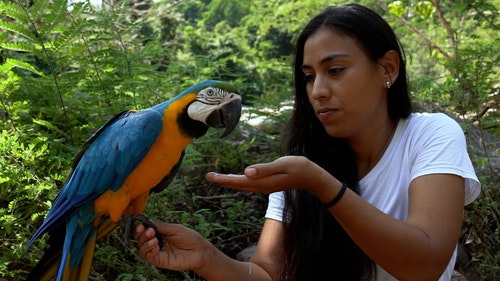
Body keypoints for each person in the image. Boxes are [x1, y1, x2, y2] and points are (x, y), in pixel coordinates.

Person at [134, 4, 481, 281]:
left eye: (335, 71)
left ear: (387, 69)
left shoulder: (430, 135)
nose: (318, 91)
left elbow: (425, 267)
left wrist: (321, 185)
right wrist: (207, 258)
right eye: (309, 77)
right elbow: (266, 273)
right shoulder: (305, 161)